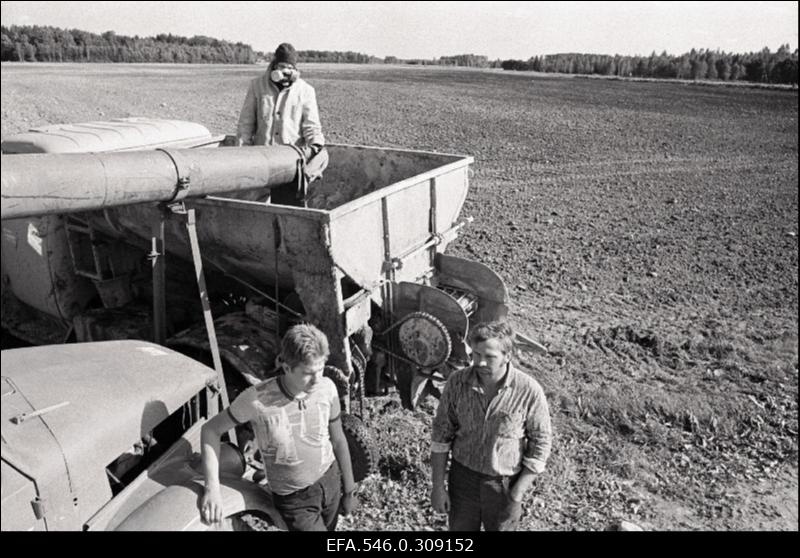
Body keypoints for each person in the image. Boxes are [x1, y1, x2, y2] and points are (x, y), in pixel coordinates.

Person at [200, 323, 357, 531]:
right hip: (295, 501)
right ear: (287, 367)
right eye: (308, 373)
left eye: (321, 369)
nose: (317, 379)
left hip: (330, 482)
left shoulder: (327, 388)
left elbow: (338, 440)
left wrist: (349, 491)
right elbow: (210, 430)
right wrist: (213, 489)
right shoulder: (256, 400)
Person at [430, 320, 552, 531]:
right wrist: (438, 487)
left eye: (490, 357)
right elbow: (441, 436)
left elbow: (541, 443)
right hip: (463, 481)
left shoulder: (528, 391)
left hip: (504, 485)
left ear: (508, 356)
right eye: (476, 354)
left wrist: (517, 492)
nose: (481, 363)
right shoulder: (457, 383)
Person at [236, 42, 328, 193]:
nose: (286, 71)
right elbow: (245, 126)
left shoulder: (305, 91)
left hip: (290, 164)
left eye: (290, 68)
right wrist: (242, 158)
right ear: (274, 66)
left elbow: (312, 127)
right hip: (261, 162)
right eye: (282, 66)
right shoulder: (257, 86)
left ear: (295, 69)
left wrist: (315, 146)